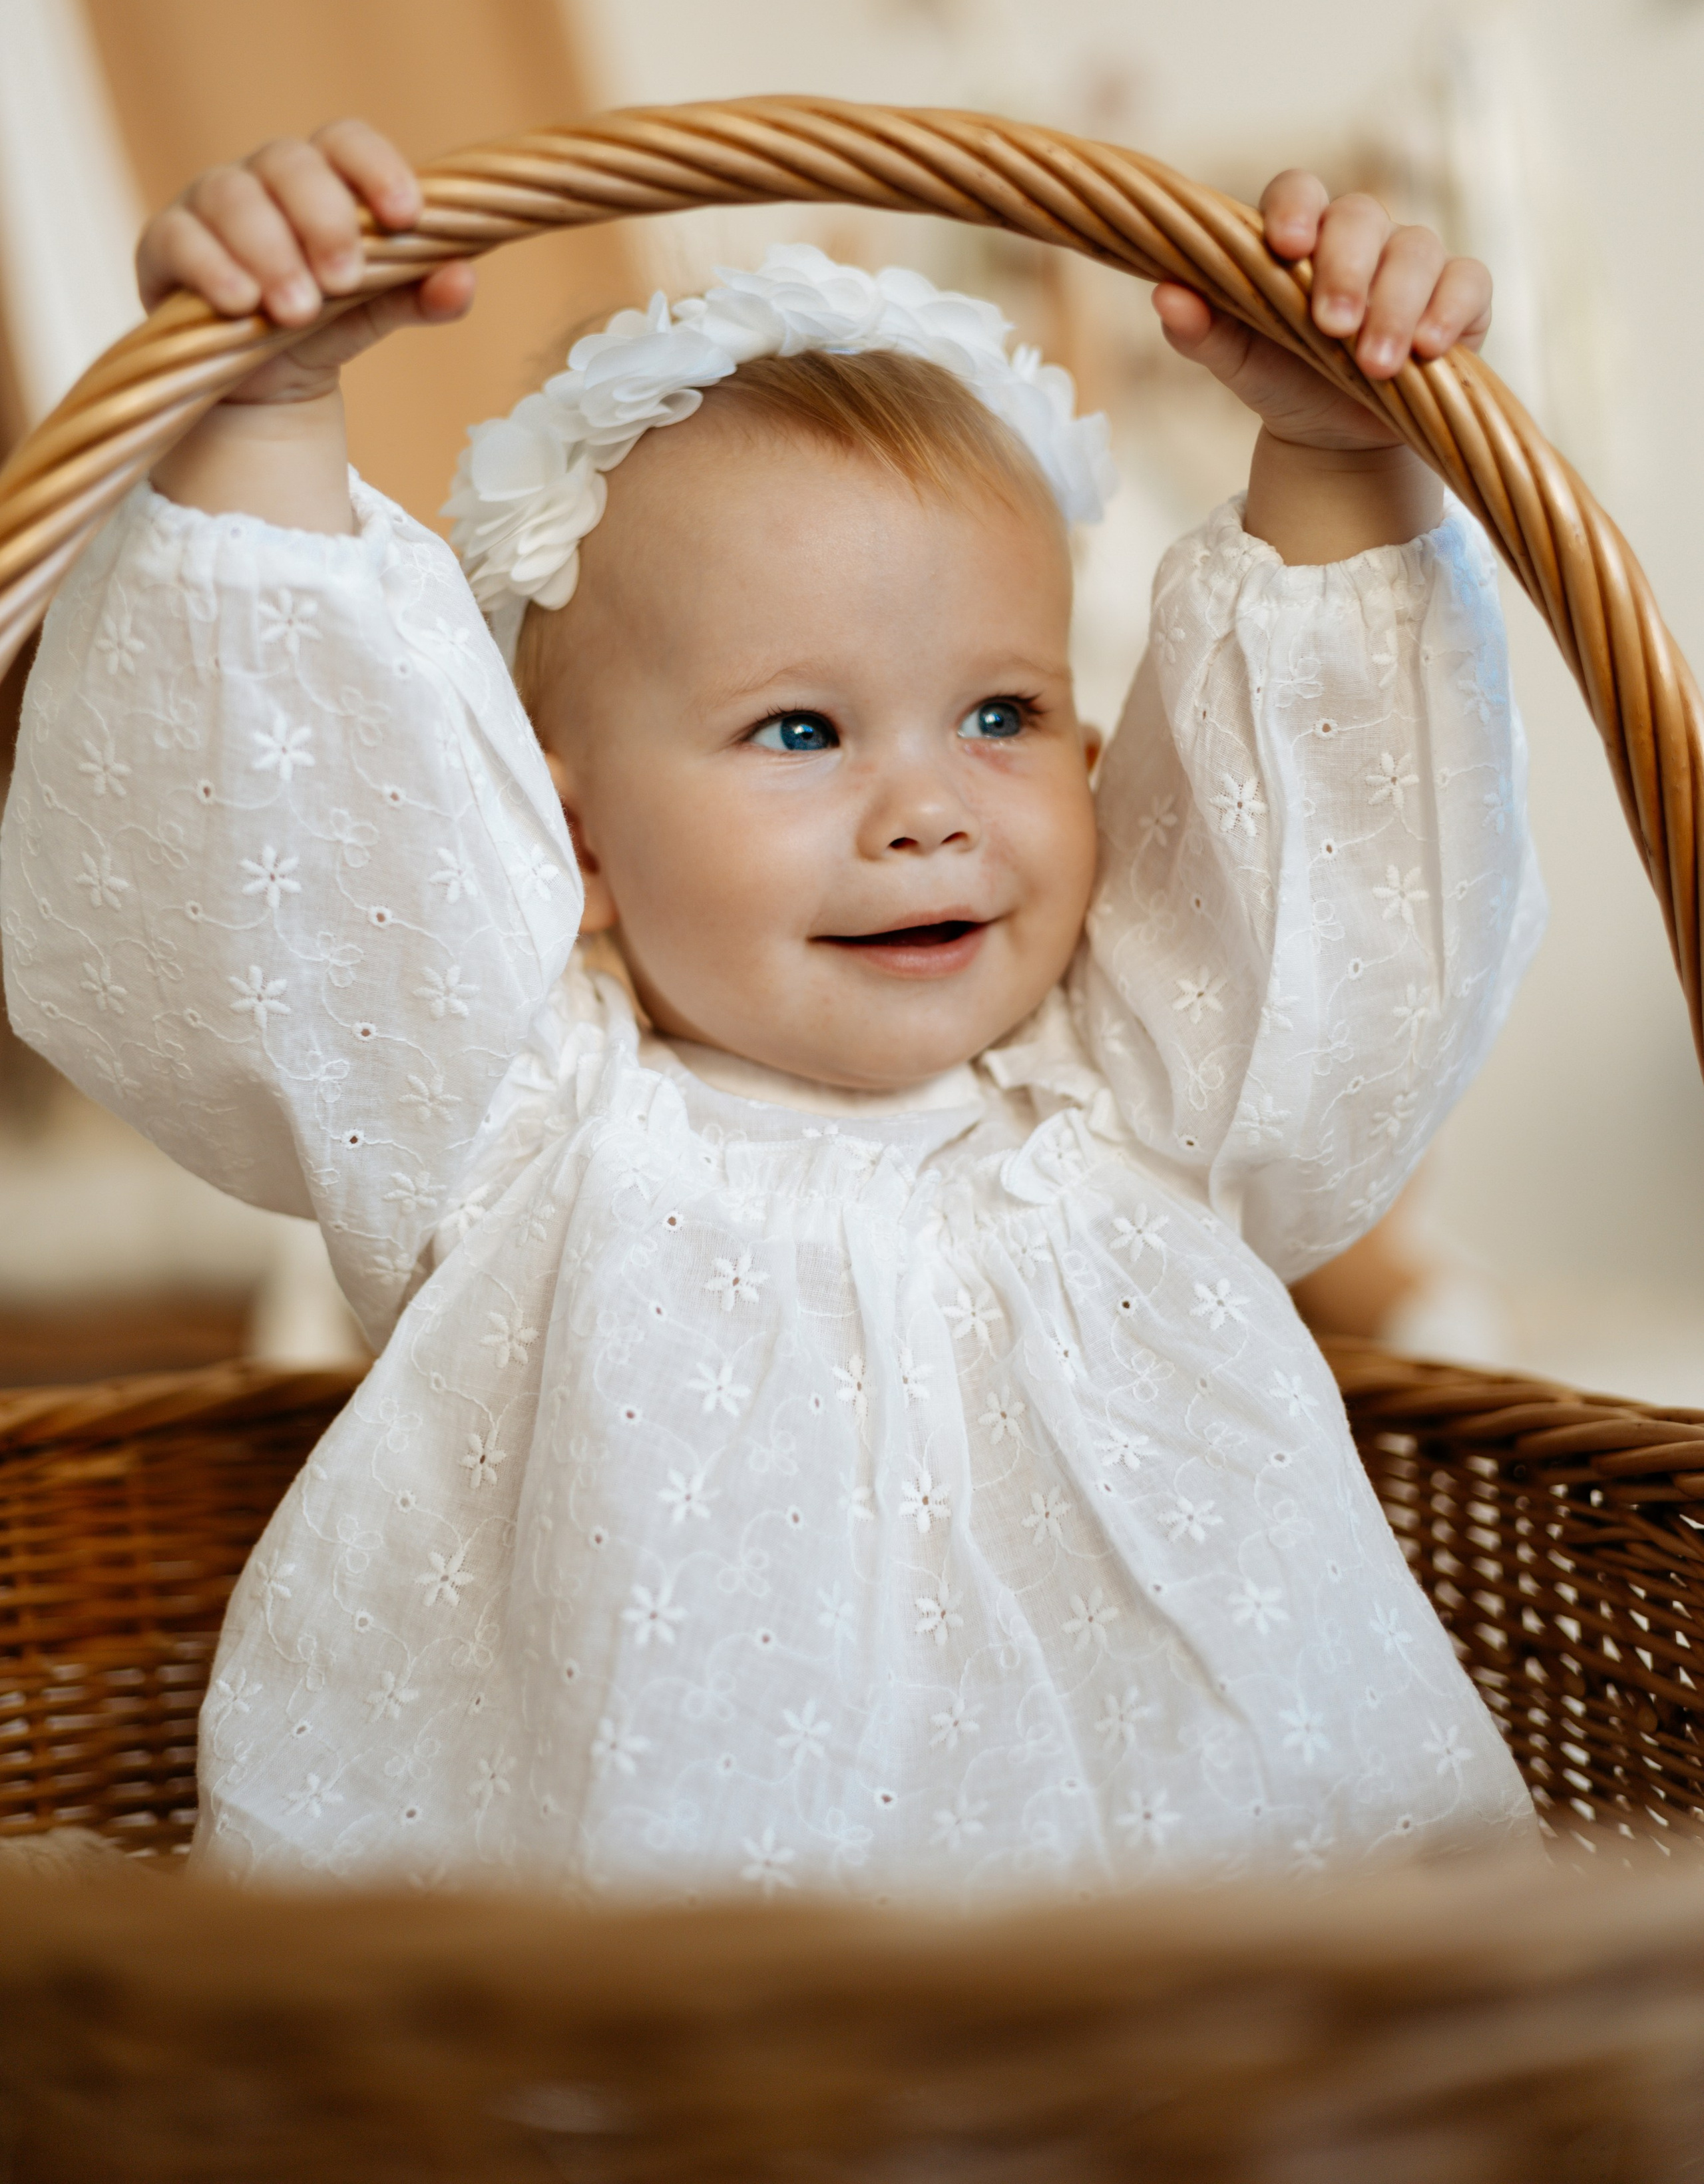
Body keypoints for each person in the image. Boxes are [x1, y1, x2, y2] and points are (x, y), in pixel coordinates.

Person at [0, 122, 1544, 1896]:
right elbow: (302, 858)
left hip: (1195, 1963)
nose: (930, 807)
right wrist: (260, 410)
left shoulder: (1147, 1093)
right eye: (802, 731)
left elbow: (1337, 853)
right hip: (666, 2005)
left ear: (1101, 761)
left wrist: (1344, 450)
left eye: (1001, 714)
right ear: (567, 846)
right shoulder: (523, 1127)